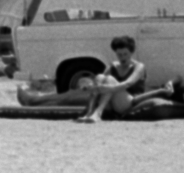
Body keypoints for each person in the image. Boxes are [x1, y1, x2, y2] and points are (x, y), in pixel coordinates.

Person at [15, 35, 174, 121]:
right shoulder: (113, 65)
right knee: (78, 90)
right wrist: (90, 86)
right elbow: (99, 79)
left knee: (109, 80)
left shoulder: (139, 67)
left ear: (131, 52)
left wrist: (106, 88)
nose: (122, 57)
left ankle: (97, 113)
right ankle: (89, 111)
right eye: (119, 54)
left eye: (125, 54)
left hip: (126, 102)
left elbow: (128, 83)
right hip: (110, 99)